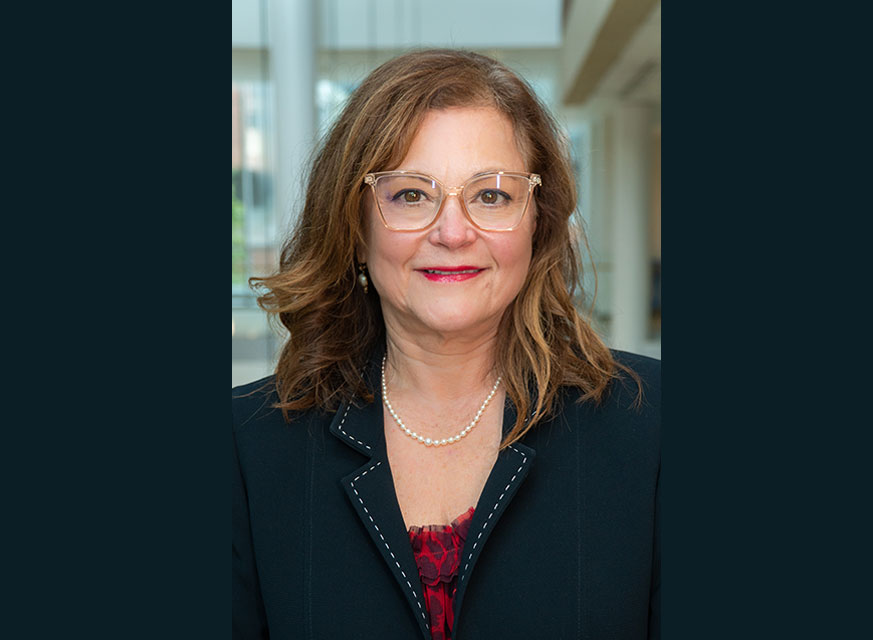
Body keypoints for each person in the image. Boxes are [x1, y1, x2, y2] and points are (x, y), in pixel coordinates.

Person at [233, 49, 660, 640]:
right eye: (410, 194)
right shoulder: (244, 445)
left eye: (491, 195)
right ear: (354, 228)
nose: (453, 232)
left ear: (538, 223)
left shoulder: (654, 422)